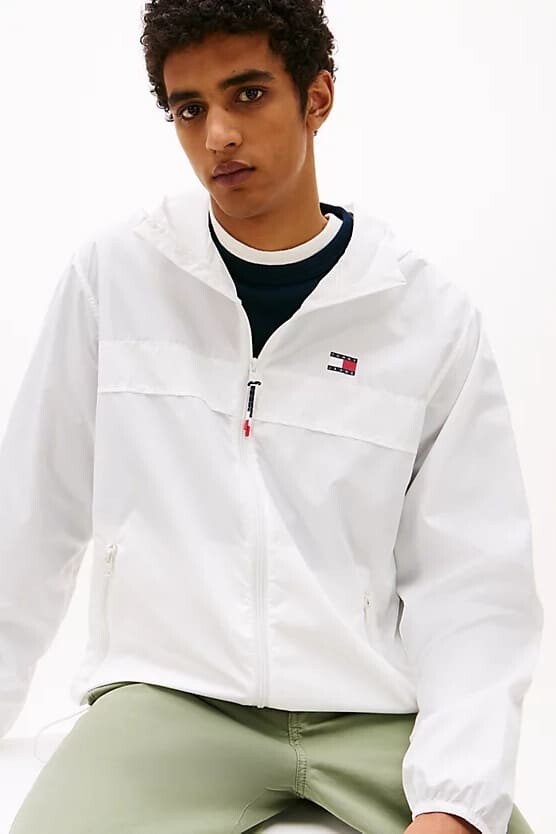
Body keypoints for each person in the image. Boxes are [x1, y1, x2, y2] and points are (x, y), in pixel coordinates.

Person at [2, 2, 543, 833]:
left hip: (370, 714)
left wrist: (456, 799)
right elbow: (29, 526)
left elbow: (473, 580)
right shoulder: (115, 280)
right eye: (189, 109)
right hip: (171, 702)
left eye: (247, 95)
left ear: (316, 98)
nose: (218, 135)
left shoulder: (426, 318)